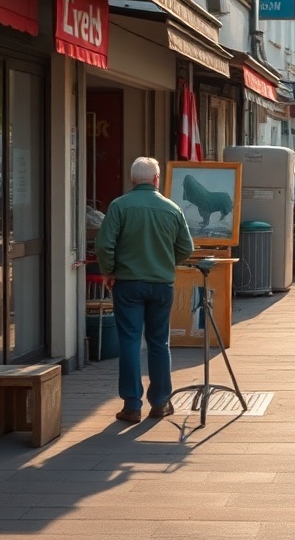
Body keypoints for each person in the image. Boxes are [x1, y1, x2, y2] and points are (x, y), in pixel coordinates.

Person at [94, 157, 194, 424]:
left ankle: (131, 405)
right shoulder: (172, 208)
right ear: (157, 180)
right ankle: (160, 403)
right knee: (159, 342)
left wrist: (108, 271)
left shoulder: (119, 206)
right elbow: (186, 248)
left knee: (129, 342)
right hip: (161, 285)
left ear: (132, 180)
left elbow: (104, 245)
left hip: (127, 284)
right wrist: (165, 261)